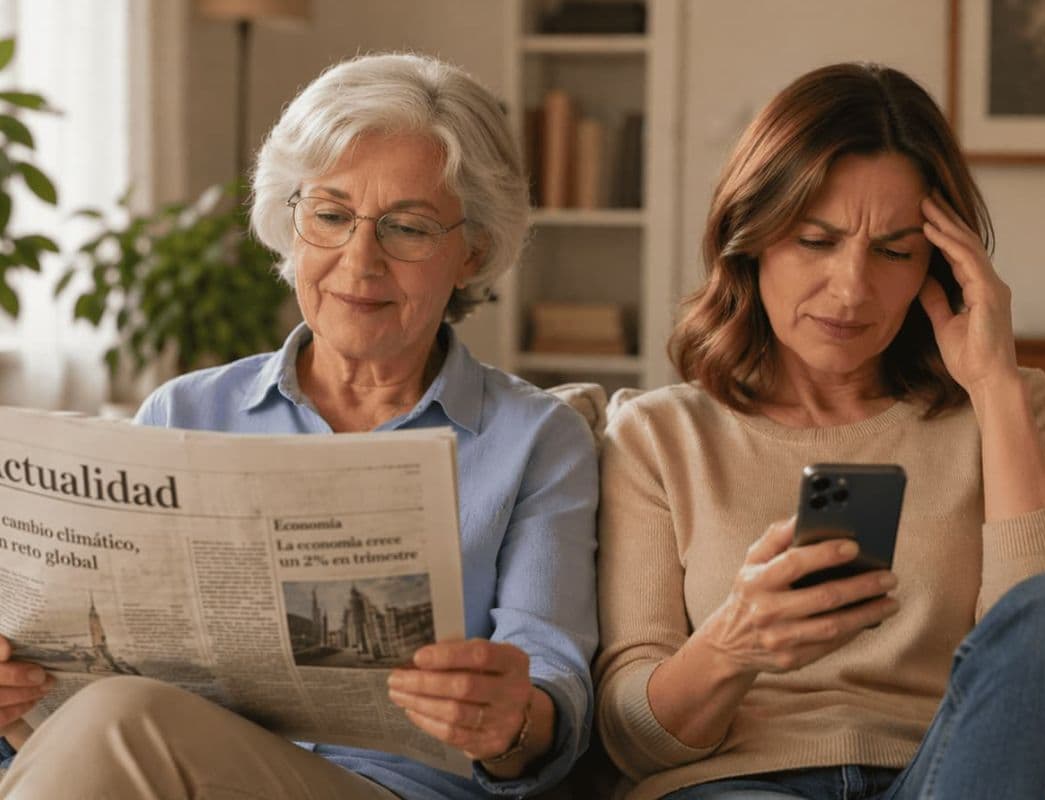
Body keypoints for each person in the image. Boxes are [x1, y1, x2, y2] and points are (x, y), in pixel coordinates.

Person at [0, 52, 598, 800]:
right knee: (110, 713)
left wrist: (507, 721)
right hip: (171, 778)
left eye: (407, 227)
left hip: (397, 790)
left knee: (123, 716)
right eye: (331, 215)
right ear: (291, 221)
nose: (360, 260)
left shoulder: (538, 441)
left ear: (472, 250)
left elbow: (550, 689)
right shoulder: (186, 412)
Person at [594, 62, 1045, 800]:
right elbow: (632, 740)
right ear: (750, 237)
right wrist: (733, 644)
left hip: (953, 777)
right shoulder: (658, 438)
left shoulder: (1018, 407)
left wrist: (992, 385)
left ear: (942, 264)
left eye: (893, 251)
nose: (853, 289)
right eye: (817, 241)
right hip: (738, 784)